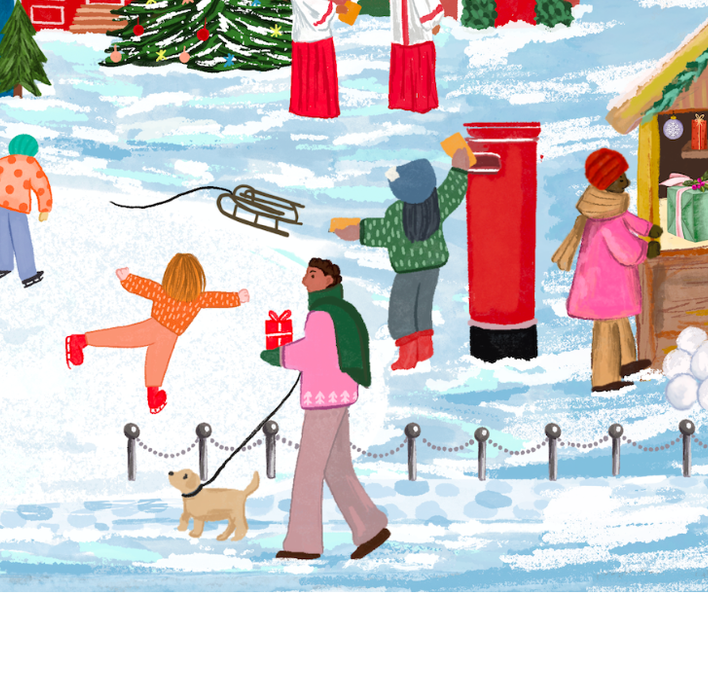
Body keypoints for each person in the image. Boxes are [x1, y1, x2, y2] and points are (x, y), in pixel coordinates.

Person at [262, 257, 389, 562]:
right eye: (306, 274)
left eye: (312, 274)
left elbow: (313, 352)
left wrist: (278, 355)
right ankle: (369, 526)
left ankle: (303, 543)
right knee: (336, 466)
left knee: (309, 469)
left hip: (324, 396)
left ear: (328, 280)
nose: (305, 280)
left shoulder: (321, 314)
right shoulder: (340, 311)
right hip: (340, 393)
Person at [331, 138, 475, 370]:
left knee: (402, 314)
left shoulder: (397, 213)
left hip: (407, 272)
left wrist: (355, 231)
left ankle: (408, 356)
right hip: (432, 268)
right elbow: (454, 190)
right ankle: (424, 348)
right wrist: (459, 168)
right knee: (422, 308)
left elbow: (378, 231)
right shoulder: (437, 203)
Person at [66, 253, 249, 416]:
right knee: (128, 342)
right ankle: (80, 340)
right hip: (155, 329)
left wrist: (127, 278)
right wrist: (237, 298)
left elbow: (144, 286)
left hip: (167, 335)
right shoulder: (191, 297)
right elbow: (215, 299)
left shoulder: (187, 297)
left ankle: (152, 395)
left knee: (153, 361)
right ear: (197, 279)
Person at [552, 147, 658, 392]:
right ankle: (604, 378)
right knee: (606, 331)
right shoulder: (606, 220)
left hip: (609, 284)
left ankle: (626, 362)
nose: (626, 182)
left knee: (619, 320)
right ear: (606, 183)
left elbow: (627, 219)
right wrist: (647, 249)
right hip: (603, 287)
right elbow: (626, 250)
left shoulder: (608, 206)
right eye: (620, 178)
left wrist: (648, 228)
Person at [0, 132, 52, 287]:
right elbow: (42, 187)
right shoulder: (31, 164)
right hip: (17, 208)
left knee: (3, 236)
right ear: (32, 150)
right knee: (21, 239)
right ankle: (28, 274)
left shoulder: (6, 161)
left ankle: (2, 267)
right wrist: (44, 208)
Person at [386, 0, 444, 114]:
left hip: (400, 31)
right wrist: (432, 21)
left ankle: (401, 101)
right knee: (419, 64)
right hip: (417, 28)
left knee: (403, 66)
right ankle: (421, 103)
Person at [289, 0, 342, 119]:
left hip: (314, 32)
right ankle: (313, 110)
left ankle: (313, 108)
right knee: (315, 73)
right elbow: (305, 1)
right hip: (311, 35)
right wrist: (333, 8)